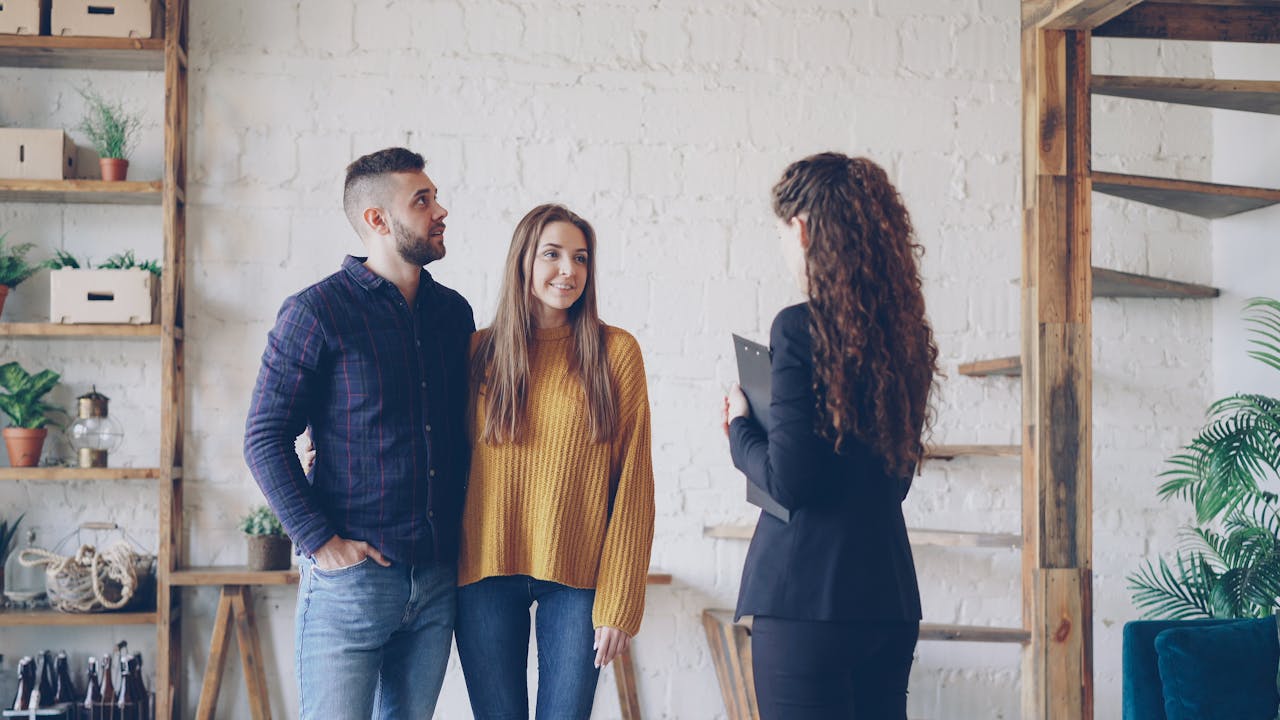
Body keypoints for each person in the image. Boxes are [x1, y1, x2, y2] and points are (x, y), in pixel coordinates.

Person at [243, 147, 474, 719]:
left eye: (435, 195)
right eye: (422, 200)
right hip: (351, 585)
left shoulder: (454, 315)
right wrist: (321, 542)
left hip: (438, 582)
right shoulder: (316, 312)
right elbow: (265, 436)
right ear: (377, 219)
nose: (440, 209)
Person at [722, 152, 937, 719]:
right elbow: (894, 485)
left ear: (803, 228)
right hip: (887, 599)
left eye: (782, 234)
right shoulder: (907, 340)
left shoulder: (798, 328)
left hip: (805, 601)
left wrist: (740, 427)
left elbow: (789, 483)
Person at [454, 203, 655, 719]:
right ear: (523, 261)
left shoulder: (616, 353)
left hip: (579, 581)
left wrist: (620, 601)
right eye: (553, 254)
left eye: (581, 258)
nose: (569, 270)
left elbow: (633, 487)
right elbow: (437, 453)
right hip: (484, 573)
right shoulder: (478, 353)